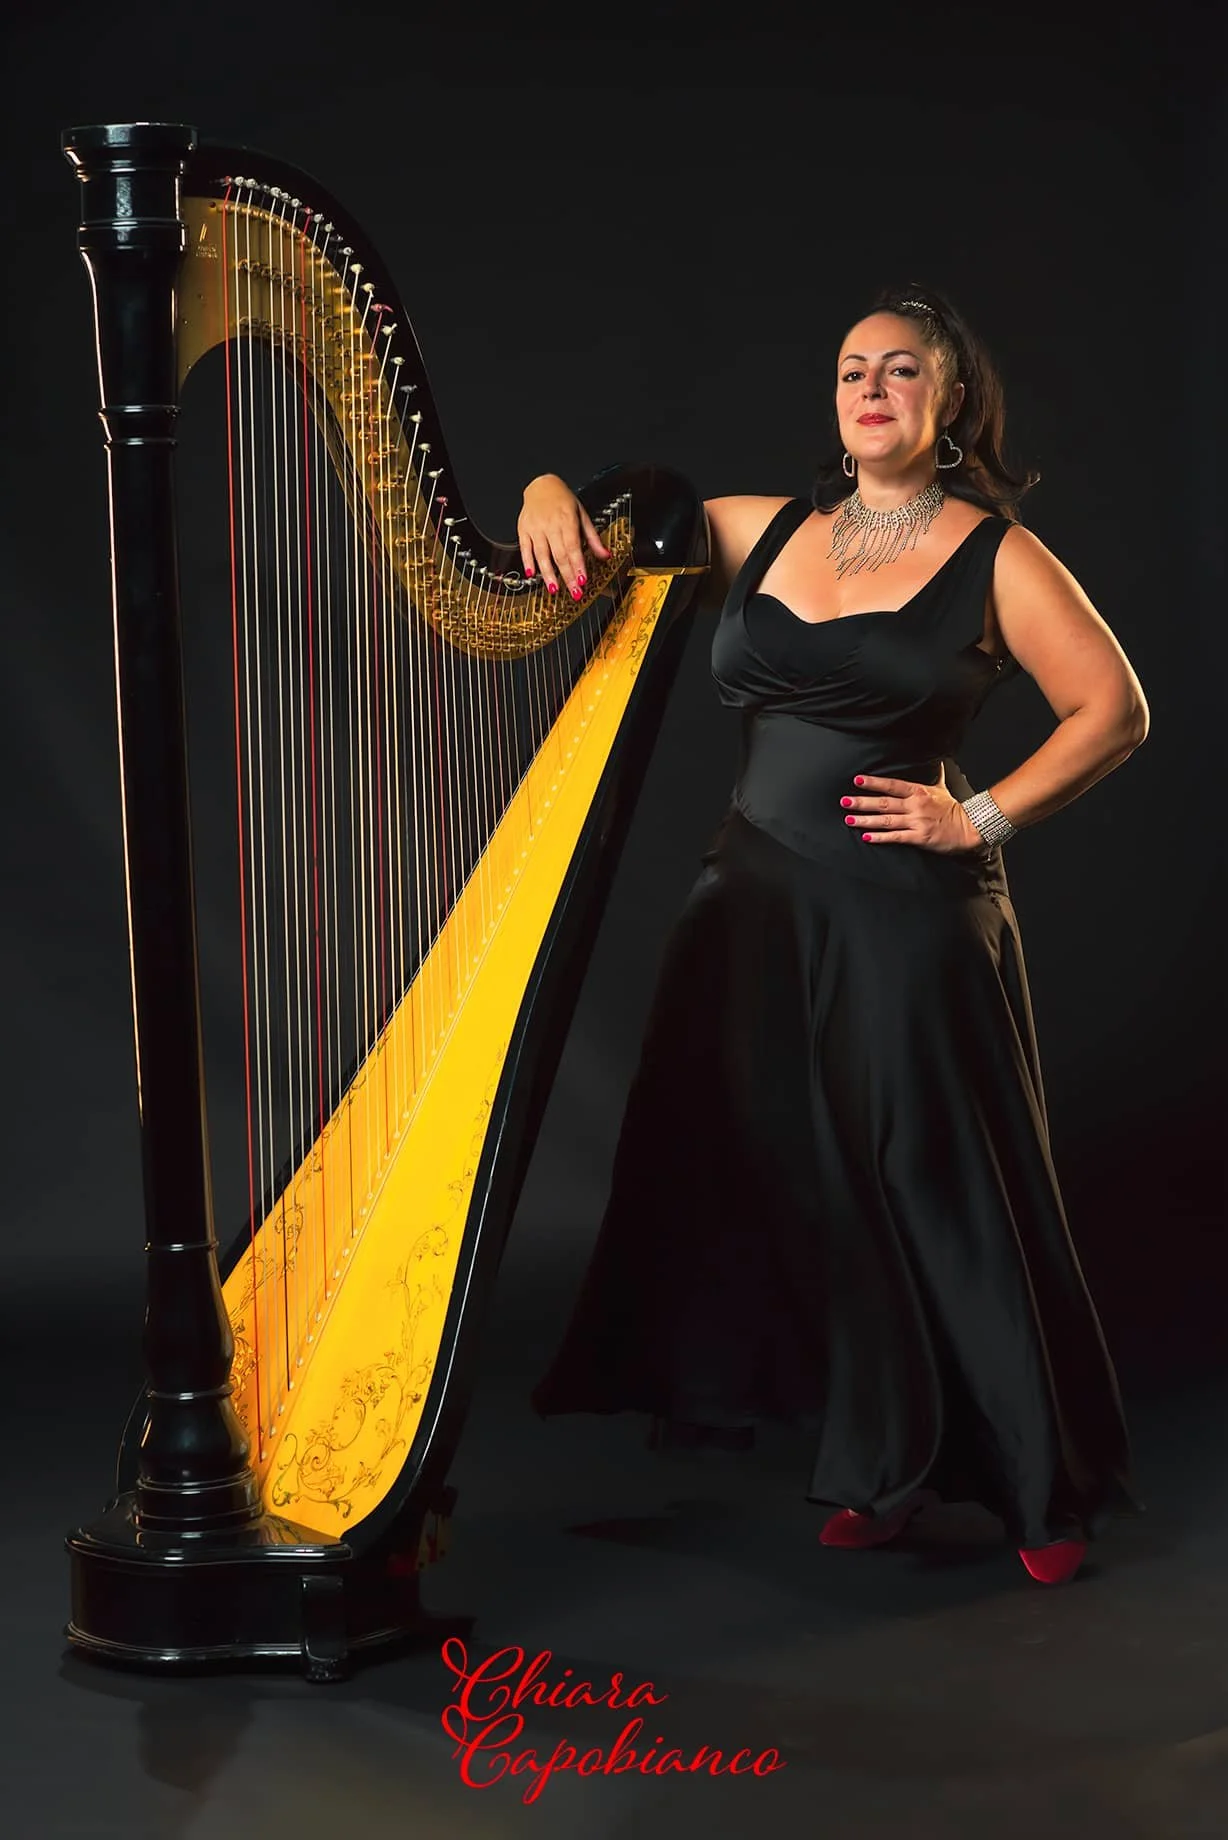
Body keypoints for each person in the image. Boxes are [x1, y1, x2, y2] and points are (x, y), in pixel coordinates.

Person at [519, 285, 1148, 1586]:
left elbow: (1113, 708)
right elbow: (619, 520)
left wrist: (978, 815)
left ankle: (1043, 1488)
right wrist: (540, 487)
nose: (871, 387)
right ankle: (883, 1462)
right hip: (749, 909)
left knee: (935, 1185)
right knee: (813, 1191)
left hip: (905, 912)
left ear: (950, 400)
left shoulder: (997, 556)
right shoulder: (760, 528)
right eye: (854, 369)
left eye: (902, 369)